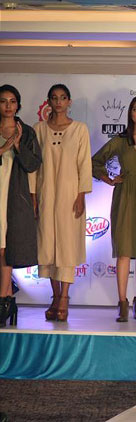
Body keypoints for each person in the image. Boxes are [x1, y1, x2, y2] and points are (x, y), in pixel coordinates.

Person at [92, 95, 136, 322]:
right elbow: (94, 162)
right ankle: (122, 303)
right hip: (125, 196)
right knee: (124, 250)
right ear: (130, 113)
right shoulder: (121, 140)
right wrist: (109, 178)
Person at [30, 84, 92, 322]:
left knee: (66, 245)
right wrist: (33, 196)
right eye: (54, 98)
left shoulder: (79, 129)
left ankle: (64, 297)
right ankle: (55, 296)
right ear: (48, 101)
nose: (58, 102)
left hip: (70, 195)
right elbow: (33, 167)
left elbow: (84, 164)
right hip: (46, 194)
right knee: (47, 245)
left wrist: (81, 195)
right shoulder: (38, 130)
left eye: (63, 98)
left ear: (69, 101)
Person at [0, 84, 42, 327]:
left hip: (14, 195)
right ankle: (8, 300)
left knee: (7, 249)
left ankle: (4, 300)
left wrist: (17, 146)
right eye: (3, 101)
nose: (8, 106)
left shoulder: (26, 132)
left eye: (12, 101)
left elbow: (33, 163)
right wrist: (4, 148)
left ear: (18, 105)